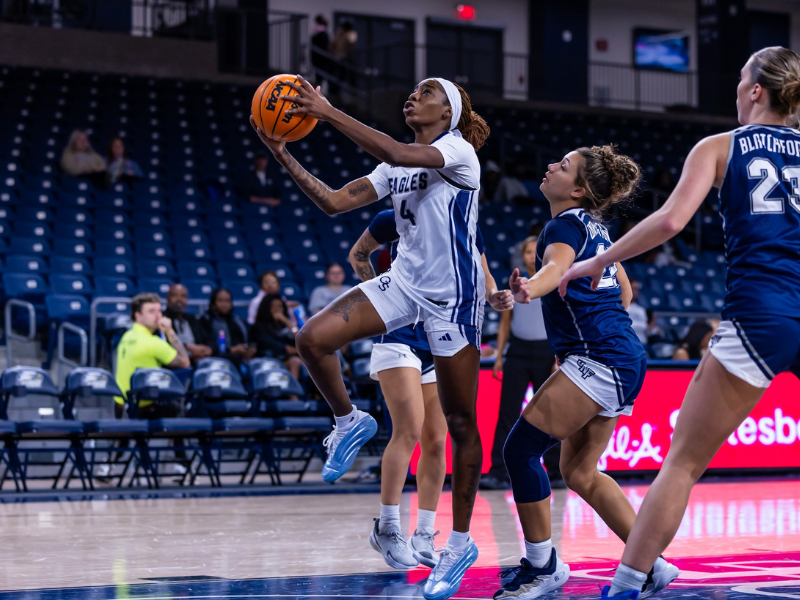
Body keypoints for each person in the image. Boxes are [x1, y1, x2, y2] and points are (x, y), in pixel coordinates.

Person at [558, 47, 800, 600]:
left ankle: (624, 586)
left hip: (762, 312)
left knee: (684, 463)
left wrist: (597, 261)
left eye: (741, 79)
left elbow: (669, 220)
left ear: (757, 91)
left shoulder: (722, 147)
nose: (738, 89)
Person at [251, 74, 492, 599]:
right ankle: (348, 419)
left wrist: (326, 110)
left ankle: (457, 543)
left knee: (456, 422)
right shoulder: (395, 165)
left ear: (447, 112)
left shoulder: (457, 152)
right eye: (412, 91)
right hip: (403, 284)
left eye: (427, 92)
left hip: (454, 296)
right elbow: (336, 203)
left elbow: (398, 152)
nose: (413, 95)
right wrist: (283, 153)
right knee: (311, 339)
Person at [493, 145, 679, 600]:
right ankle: (652, 564)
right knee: (579, 471)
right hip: (621, 355)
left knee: (520, 451)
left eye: (563, 165)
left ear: (577, 188)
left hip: (600, 357)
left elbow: (554, 270)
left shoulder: (561, 225)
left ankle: (542, 567)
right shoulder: (595, 228)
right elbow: (626, 294)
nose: (550, 165)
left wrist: (528, 290)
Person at [349, 208, 513, 570]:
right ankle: (387, 527)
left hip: (441, 334)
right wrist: (377, 298)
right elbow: (358, 254)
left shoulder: (465, 218)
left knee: (436, 439)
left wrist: (494, 296)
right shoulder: (395, 214)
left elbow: (484, 277)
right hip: (398, 334)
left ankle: (423, 532)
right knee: (407, 429)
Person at [481, 235, 558, 492]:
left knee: (549, 413)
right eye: (527, 252)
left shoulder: (553, 282)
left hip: (547, 352)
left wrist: (559, 356)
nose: (530, 255)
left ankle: (556, 471)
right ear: (522, 256)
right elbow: (505, 322)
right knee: (508, 412)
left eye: (535, 251)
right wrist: (500, 356)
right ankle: (498, 471)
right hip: (518, 351)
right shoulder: (514, 283)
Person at [114, 292, 191, 415]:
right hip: (143, 409)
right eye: (151, 312)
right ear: (137, 315)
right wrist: (169, 330)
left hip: (120, 406)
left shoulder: (126, 336)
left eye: (159, 311)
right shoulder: (152, 343)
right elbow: (185, 362)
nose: (158, 316)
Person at [249, 292, 303, 380]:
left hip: (289, 357)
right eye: (273, 306)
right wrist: (298, 351)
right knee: (294, 361)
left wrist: (287, 321)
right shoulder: (259, 327)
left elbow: (300, 339)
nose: (277, 309)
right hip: (269, 358)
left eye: (280, 306)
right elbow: (279, 348)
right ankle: (294, 393)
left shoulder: (286, 326)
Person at [196, 288, 256, 367]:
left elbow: (246, 339)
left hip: (241, 360)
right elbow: (205, 346)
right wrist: (230, 350)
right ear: (213, 303)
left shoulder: (236, 320)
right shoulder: (206, 320)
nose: (224, 304)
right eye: (220, 300)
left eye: (227, 301)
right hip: (217, 361)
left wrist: (248, 350)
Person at [163, 284, 212, 364]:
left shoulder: (193, 319)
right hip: (174, 362)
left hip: (197, 360)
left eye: (183, 296)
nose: (179, 299)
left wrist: (207, 349)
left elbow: (208, 339)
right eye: (174, 295)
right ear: (167, 298)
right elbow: (163, 344)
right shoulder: (162, 319)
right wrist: (188, 348)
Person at [626, 279, 649, 345]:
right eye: (632, 288)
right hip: (627, 342)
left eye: (636, 289)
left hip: (642, 343)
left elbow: (646, 329)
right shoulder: (620, 307)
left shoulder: (642, 310)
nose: (635, 292)